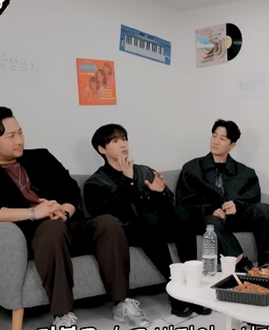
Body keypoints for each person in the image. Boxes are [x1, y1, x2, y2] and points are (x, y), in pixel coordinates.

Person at [0, 107, 148, 330]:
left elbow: (70, 188)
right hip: (38, 236)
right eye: (11, 136)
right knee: (50, 230)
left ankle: (122, 303)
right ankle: (63, 317)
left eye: (20, 132)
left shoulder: (41, 157)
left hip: (69, 223)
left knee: (108, 223)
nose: (20, 140)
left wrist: (64, 211)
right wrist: (34, 213)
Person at [83, 123, 210, 317]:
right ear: (102, 149)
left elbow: (168, 207)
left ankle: (192, 285)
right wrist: (127, 180)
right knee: (149, 220)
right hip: (130, 231)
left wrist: (160, 193)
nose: (123, 144)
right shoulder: (95, 183)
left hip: (157, 225)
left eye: (124, 139)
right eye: (115, 141)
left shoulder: (144, 171)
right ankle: (175, 290)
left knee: (181, 213)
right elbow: (113, 217)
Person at [176, 119, 269, 271]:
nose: (216, 142)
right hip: (205, 219)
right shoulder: (192, 169)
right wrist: (209, 210)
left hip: (235, 217)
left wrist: (238, 205)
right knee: (213, 221)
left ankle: (265, 264)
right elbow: (183, 202)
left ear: (232, 145)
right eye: (214, 136)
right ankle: (242, 265)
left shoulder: (245, 173)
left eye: (222, 138)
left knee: (265, 209)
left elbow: (253, 198)